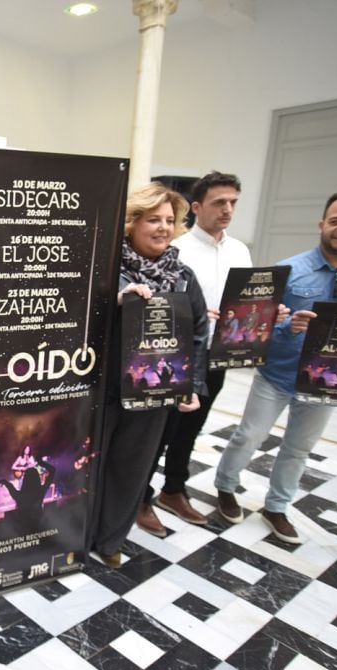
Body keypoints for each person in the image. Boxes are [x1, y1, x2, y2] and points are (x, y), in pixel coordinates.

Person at [214, 189, 337, 544]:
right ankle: (226, 487)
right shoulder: (290, 270)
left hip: (325, 382)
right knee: (249, 435)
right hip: (277, 373)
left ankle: (277, 507)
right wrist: (286, 325)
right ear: (322, 224)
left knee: (298, 448)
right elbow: (259, 325)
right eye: (335, 221)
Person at [90, 183, 209, 568]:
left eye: (170, 220)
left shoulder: (183, 277)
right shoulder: (103, 268)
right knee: (90, 464)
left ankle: (110, 540)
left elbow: (198, 333)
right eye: (153, 219)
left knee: (132, 469)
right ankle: (78, 535)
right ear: (131, 224)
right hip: (101, 388)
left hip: (152, 394)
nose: (163, 227)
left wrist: (191, 383)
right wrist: (116, 301)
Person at [137, 172, 253, 536]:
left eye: (233, 202)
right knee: (160, 431)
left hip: (218, 352)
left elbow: (248, 301)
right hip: (171, 357)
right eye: (220, 202)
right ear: (199, 207)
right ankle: (141, 496)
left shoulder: (239, 250)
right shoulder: (178, 249)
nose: (228, 209)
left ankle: (174, 489)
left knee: (191, 427)